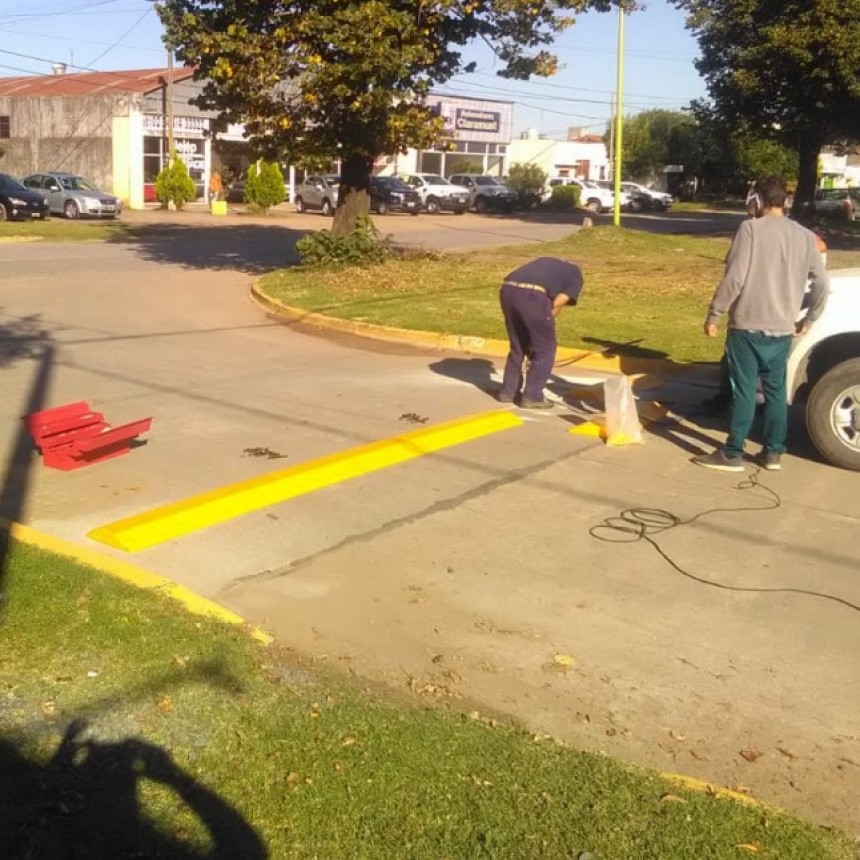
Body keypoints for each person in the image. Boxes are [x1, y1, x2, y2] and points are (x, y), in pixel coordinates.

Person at [693, 175, 828, 472]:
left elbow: (736, 277)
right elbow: (821, 282)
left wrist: (715, 313)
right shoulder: (805, 237)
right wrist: (810, 317)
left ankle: (733, 452)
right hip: (782, 327)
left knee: (744, 390)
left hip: (747, 325)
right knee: (776, 390)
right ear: (785, 201)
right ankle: (773, 452)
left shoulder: (749, 229)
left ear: (758, 200)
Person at [497, 256, 584, 408]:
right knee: (545, 349)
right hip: (533, 297)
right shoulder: (576, 274)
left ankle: (508, 392)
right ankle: (533, 396)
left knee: (518, 346)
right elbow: (557, 303)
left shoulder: (548, 263)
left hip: (507, 290)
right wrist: (544, 325)